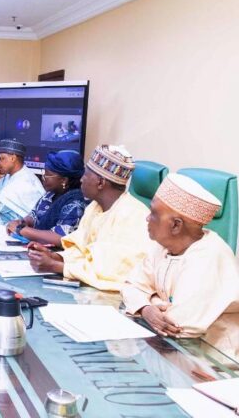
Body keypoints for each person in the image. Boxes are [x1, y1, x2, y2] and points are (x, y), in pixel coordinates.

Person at [122, 174, 239, 358]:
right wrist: (146, 309)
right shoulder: (162, 246)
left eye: (153, 213)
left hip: (210, 360)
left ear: (176, 225)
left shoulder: (209, 256)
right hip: (170, 350)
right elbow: (131, 285)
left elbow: (177, 326)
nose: (147, 218)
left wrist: (149, 300)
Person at [28, 145, 151, 291]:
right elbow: (82, 249)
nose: (81, 180)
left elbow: (110, 272)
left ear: (100, 183)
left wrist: (57, 266)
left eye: (86, 175)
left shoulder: (132, 215)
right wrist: (55, 256)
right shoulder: (95, 207)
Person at [6, 150, 87, 246]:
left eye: (48, 174)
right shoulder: (51, 194)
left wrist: (22, 230)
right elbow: (34, 216)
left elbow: (61, 237)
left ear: (64, 180)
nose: (43, 177)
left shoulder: (76, 201)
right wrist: (22, 222)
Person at [0, 139, 44, 217]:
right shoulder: (8, 175)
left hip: (30, 227)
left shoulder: (24, 180)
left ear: (13, 158)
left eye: (2, 158)